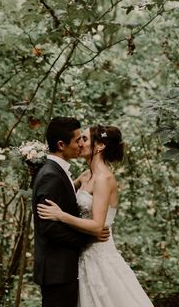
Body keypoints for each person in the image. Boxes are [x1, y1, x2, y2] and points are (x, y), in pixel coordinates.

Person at [37, 125, 153, 307]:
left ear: (99, 146)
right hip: (82, 253)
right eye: (78, 139)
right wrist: (37, 169)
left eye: (83, 139)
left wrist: (61, 216)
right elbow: (59, 189)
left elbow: (97, 226)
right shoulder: (85, 175)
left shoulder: (104, 179)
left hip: (99, 252)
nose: (79, 143)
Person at [32, 117, 110, 307]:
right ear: (61, 144)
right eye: (77, 140)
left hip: (62, 270)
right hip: (57, 271)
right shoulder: (51, 174)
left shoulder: (57, 170)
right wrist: (87, 240)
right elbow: (49, 227)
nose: (80, 144)